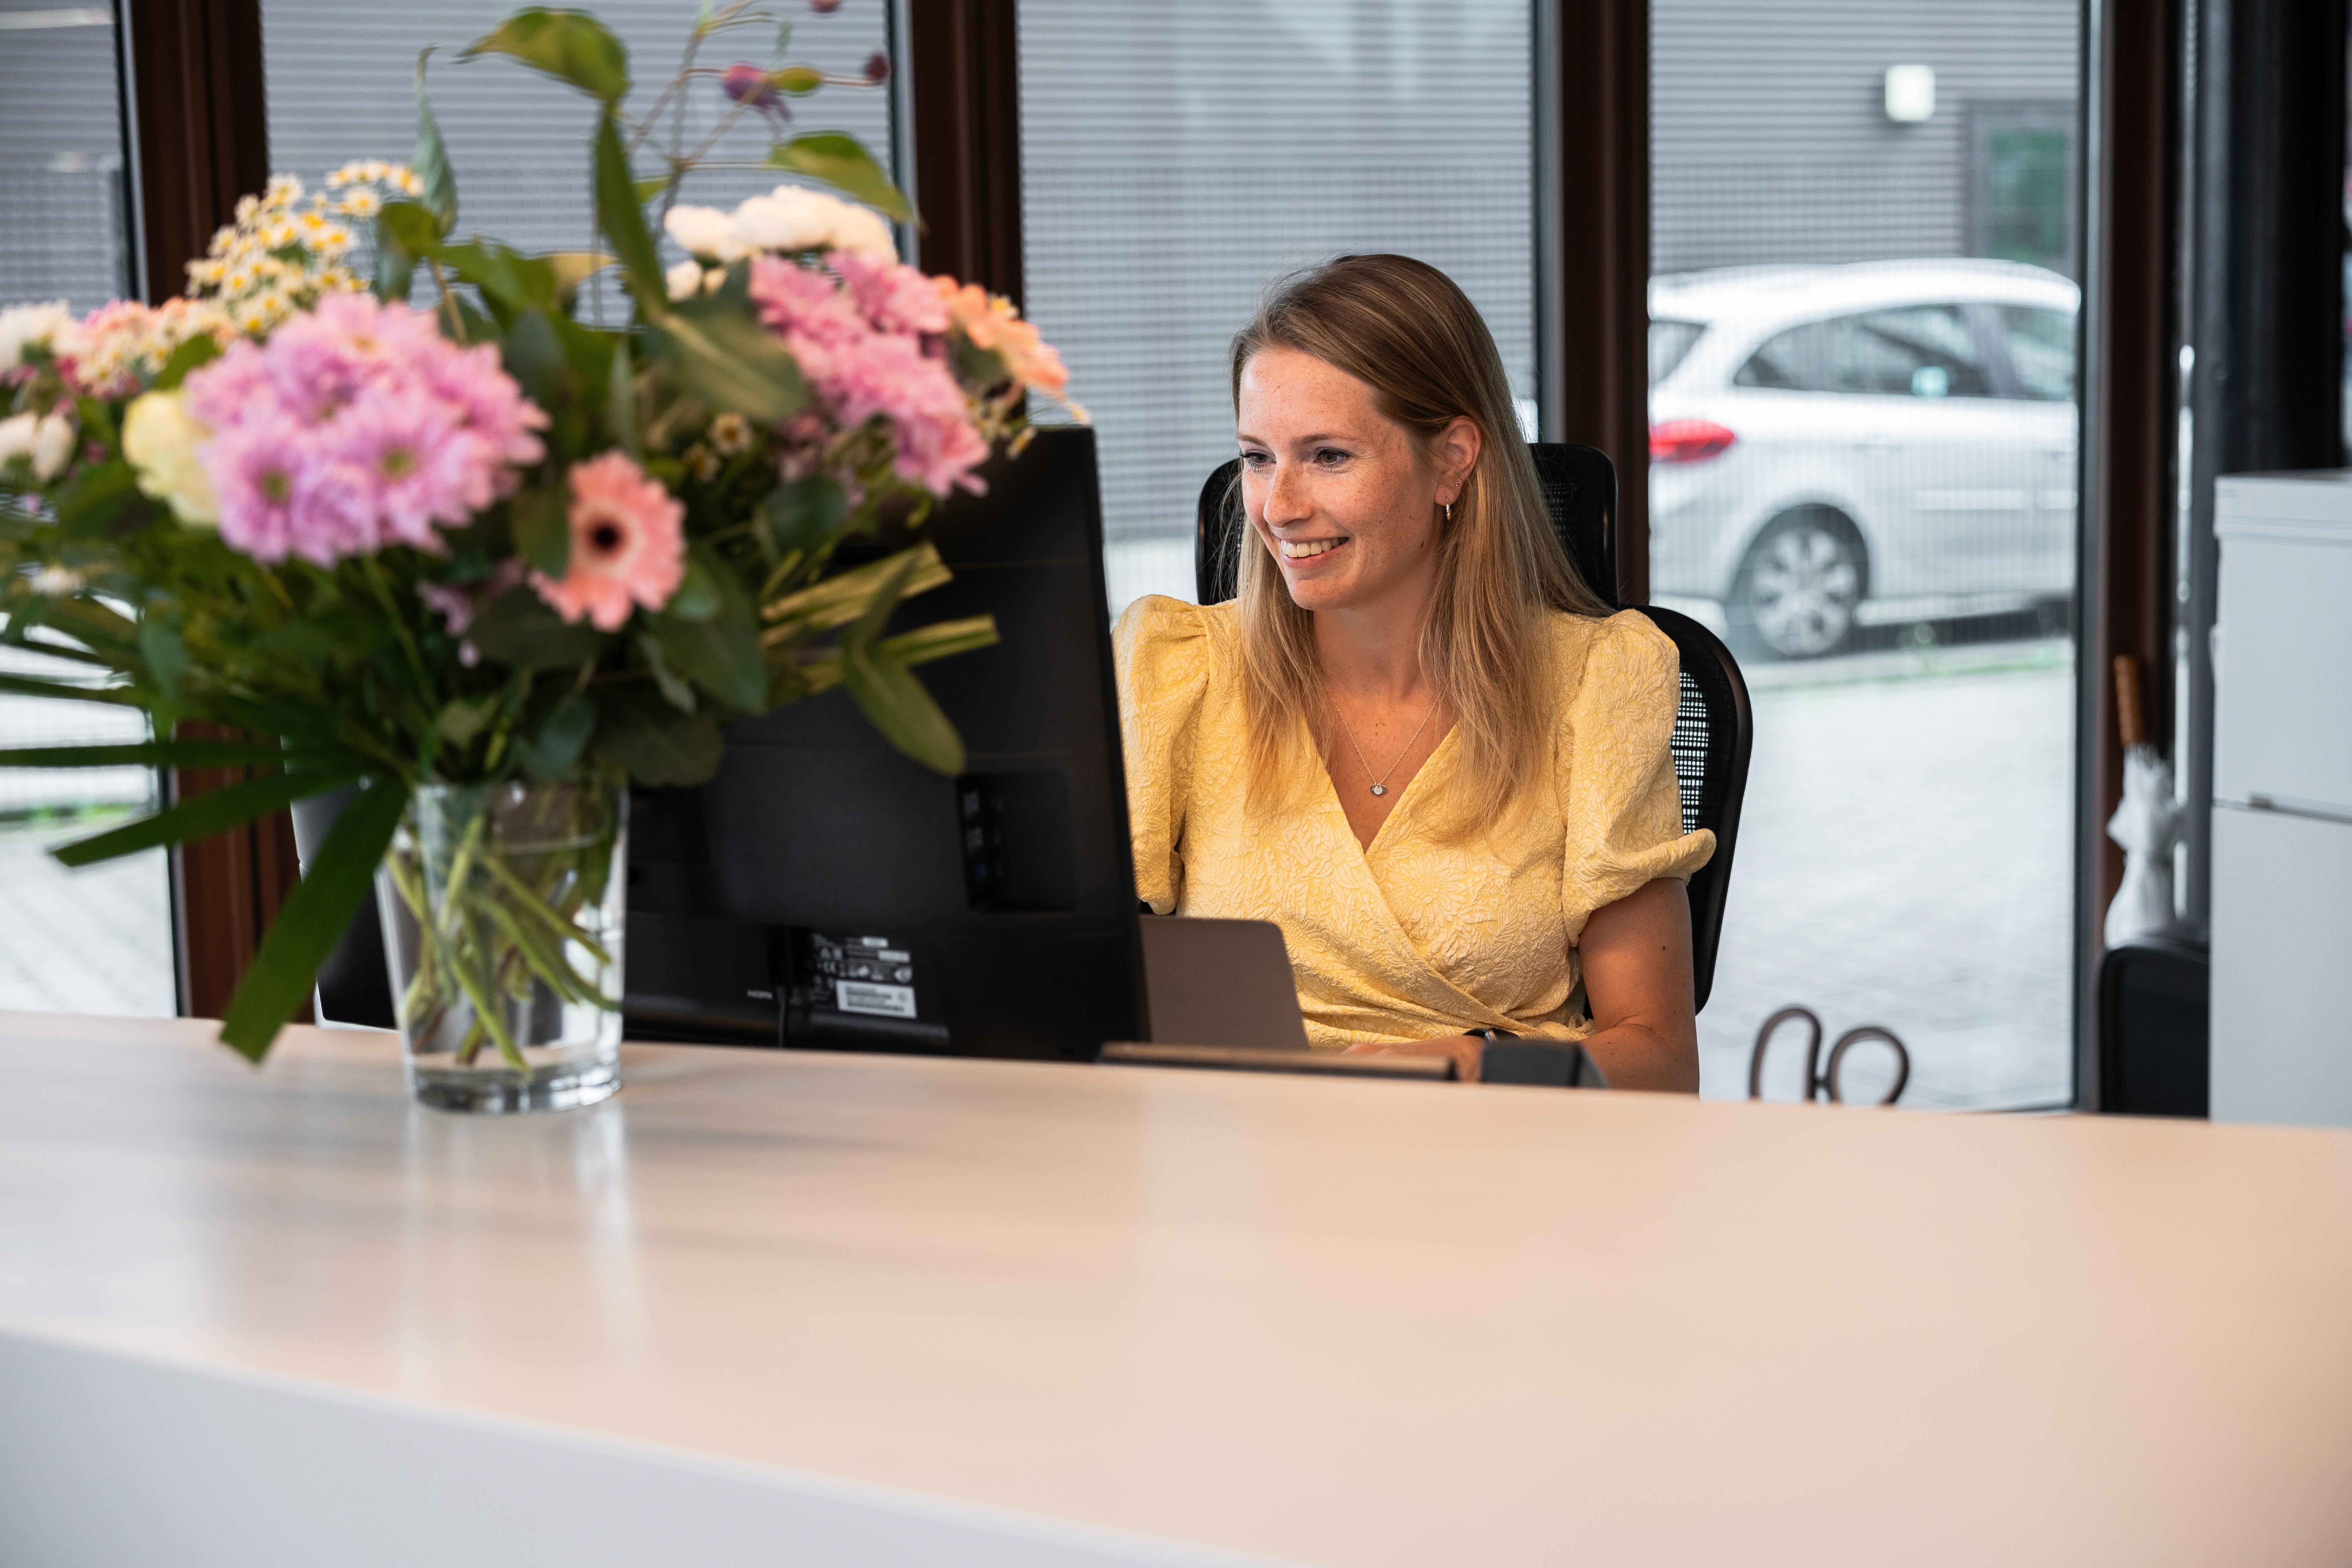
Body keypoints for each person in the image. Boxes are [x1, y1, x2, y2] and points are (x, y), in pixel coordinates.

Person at [1113, 254, 1714, 1090]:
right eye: (1257, 457)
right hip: (1249, 1160)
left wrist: (1480, 1065)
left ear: (1453, 461)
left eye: (1327, 455)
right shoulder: (1179, 672)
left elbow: (1659, 1060)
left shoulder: (1595, 684)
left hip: (1494, 1157)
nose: (1278, 506)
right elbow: (1074, 990)